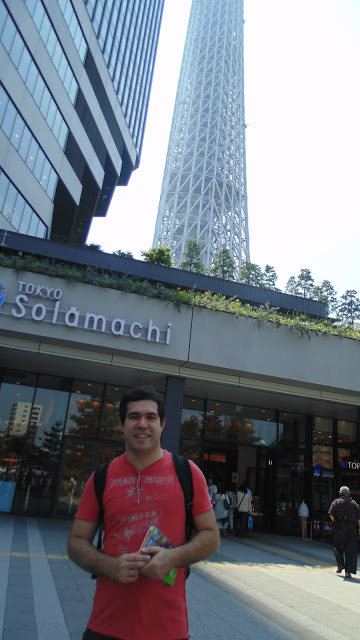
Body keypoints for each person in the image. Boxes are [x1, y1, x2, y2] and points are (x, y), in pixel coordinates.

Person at [68, 385, 220, 640]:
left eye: (150, 417)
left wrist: (173, 558)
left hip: (167, 629)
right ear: (121, 424)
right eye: (134, 417)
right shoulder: (101, 478)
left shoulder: (188, 473)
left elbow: (211, 536)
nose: (142, 424)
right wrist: (110, 566)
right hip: (105, 627)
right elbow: (76, 542)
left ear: (162, 425)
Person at [328, 486, 360, 578]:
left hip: (339, 527)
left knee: (337, 547)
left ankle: (340, 564)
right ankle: (348, 572)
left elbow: (331, 514)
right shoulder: (354, 504)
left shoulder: (336, 502)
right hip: (352, 528)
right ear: (349, 494)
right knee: (351, 550)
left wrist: (335, 521)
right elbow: (358, 517)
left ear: (339, 493)